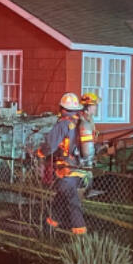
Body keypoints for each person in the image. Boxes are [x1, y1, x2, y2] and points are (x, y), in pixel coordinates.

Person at [41, 92, 93, 235]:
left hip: (67, 170)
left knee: (72, 201)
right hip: (82, 170)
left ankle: (80, 233)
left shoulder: (63, 125)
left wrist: (39, 153)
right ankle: (50, 226)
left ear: (62, 108)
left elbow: (50, 146)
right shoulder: (81, 122)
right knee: (60, 197)